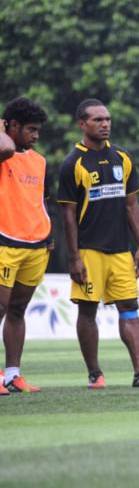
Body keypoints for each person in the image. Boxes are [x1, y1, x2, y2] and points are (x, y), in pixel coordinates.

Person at [58, 98, 139, 388]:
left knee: (129, 307)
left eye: (107, 119)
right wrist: (74, 256)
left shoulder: (123, 158)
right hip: (89, 250)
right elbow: (68, 214)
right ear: (82, 124)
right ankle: (95, 373)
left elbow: (132, 204)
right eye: (97, 120)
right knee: (88, 310)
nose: (105, 124)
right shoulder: (73, 163)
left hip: (121, 250)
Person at [0, 98, 51, 394]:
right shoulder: (3, 152)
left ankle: (13, 374)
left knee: (18, 309)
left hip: (36, 245)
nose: (36, 136)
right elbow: (6, 147)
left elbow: (37, 201)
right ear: (12, 126)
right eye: (30, 129)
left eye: (38, 130)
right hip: (5, 242)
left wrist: (48, 235)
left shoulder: (39, 160)